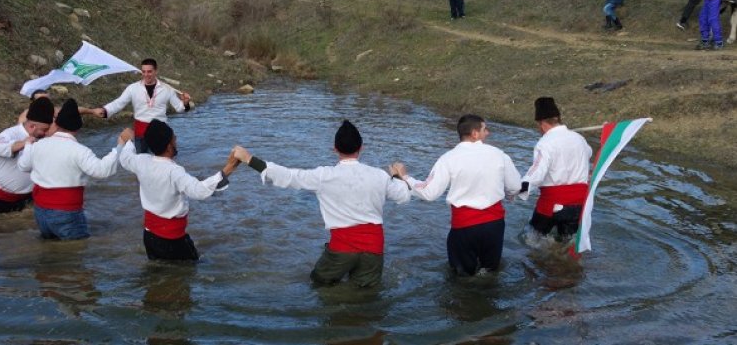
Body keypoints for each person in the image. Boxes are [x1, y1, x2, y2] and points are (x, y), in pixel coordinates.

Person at [231, 120, 411, 287]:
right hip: (374, 247)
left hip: (342, 247)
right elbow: (404, 195)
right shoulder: (379, 175)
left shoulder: (324, 176)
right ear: (361, 148)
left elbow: (288, 176)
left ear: (334, 149)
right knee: (366, 295)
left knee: (318, 284)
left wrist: (249, 159)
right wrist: (399, 175)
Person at [391, 114, 521, 276]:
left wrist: (404, 177)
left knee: (462, 277)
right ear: (474, 133)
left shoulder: (448, 159)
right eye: (484, 129)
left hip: (464, 227)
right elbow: (515, 186)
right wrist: (508, 193)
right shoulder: (499, 154)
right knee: (490, 272)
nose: (488, 132)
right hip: (494, 225)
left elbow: (429, 192)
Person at [119, 120, 239, 261]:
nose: (176, 140)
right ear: (169, 146)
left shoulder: (141, 161)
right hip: (172, 240)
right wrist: (230, 167)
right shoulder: (174, 171)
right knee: (189, 273)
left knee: (159, 277)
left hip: (149, 236)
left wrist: (128, 141)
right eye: (174, 138)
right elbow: (199, 191)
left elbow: (125, 158)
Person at [17, 99, 124, 240]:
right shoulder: (80, 151)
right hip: (66, 212)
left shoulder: (38, 145)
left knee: (49, 254)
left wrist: (29, 145)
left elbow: (23, 166)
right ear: (77, 128)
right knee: (75, 254)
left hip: (40, 211)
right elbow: (102, 171)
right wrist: (120, 145)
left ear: (57, 124)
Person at [520, 98, 592, 241]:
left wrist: (520, 189)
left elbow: (537, 173)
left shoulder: (545, 143)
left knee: (531, 240)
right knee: (567, 242)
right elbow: (588, 154)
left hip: (552, 204)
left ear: (541, 124)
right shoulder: (579, 139)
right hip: (578, 204)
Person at [94, 58, 192, 154]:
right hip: (141, 132)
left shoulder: (167, 89)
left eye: (149, 71)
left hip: (160, 132)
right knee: (141, 162)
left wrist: (185, 102)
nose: (146, 75)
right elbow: (119, 103)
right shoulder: (132, 88)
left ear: (156, 71)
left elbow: (180, 108)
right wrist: (105, 110)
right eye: (143, 71)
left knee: (160, 164)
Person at [0, 98, 54, 214]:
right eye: (45, 130)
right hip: (0, 199)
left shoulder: (43, 138)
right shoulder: (10, 134)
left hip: (30, 197)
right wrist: (25, 143)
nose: (47, 133)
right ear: (32, 126)